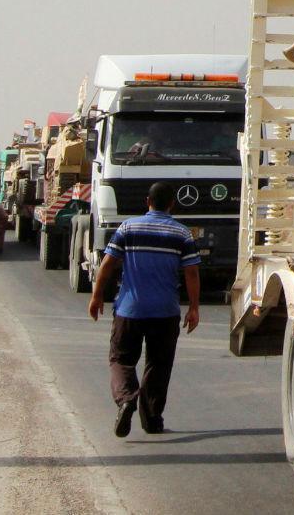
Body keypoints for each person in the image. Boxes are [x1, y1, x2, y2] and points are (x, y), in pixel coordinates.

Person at [88, 180, 202, 437]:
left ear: (147, 202)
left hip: (130, 310)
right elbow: (192, 273)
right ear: (172, 204)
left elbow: (107, 264)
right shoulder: (182, 234)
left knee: (120, 359)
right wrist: (194, 307)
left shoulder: (128, 227)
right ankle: (152, 420)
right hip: (166, 312)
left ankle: (127, 398)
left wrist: (96, 296)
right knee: (159, 365)